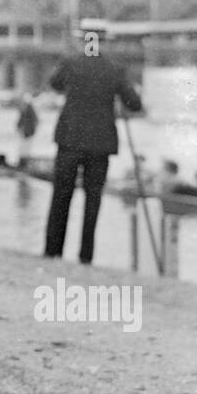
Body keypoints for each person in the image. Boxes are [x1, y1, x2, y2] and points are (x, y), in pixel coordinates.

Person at [43, 28, 142, 264]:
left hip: (69, 139)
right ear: (105, 42)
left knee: (61, 196)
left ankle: (52, 251)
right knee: (93, 198)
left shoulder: (71, 62)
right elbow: (135, 104)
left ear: (83, 41)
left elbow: (55, 84)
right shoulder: (115, 69)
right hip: (100, 143)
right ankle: (85, 256)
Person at [14, 94, 38, 169]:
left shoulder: (29, 110)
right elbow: (21, 120)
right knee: (23, 148)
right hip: (25, 132)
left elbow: (34, 120)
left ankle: (24, 163)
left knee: (26, 148)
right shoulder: (25, 109)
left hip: (28, 132)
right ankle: (22, 163)